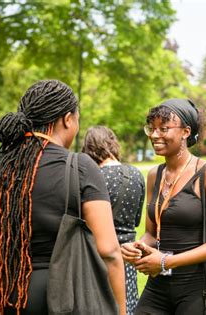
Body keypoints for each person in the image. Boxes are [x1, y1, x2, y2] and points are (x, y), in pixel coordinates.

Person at [0, 80, 126, 315]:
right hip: (66, 295)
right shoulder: (80, 166)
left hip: (10, 295)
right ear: (68, 119)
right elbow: (108, 250)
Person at [121, 99, 206, 314]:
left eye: (163, 129)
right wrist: (137, 247)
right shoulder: (155, 175)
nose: (154, 135)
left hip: (198, 287)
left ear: (185, 132)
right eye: (152, 128)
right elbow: (152, 234)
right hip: (158, 286)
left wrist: (166, 261)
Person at [82, 126, 145, 315]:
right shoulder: (136, 175)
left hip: (97, 257)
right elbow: (136, 220)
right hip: (128, 256)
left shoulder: (92, 178)